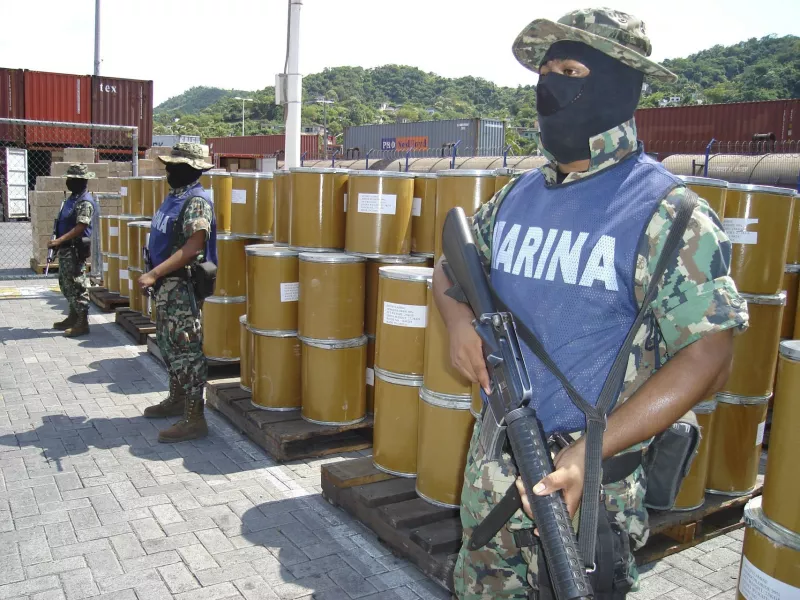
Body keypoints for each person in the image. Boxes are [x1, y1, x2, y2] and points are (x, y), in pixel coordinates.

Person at [432, 8, 749, 599]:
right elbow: (450, 262)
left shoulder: (668, 213)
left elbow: (709, 356)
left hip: (588, 492)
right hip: (493, 471)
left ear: (618, 85)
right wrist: (459, 324)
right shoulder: (516, 196)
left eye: (571, 69)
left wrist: (586, 453)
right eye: (545, 71)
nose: (551, 85)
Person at [139, 143, 217, 443]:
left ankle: (195, 418)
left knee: (187, 349)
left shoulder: (196, 201)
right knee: (170, 345)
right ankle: (177, 399)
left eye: (175, 166)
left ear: (191, 169)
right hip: (167, 287)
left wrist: (154, 273)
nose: (168, 170)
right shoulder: (176, 197)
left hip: (180, 286)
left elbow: (193, 247)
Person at [50, 164, 98, 338]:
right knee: (66, 284)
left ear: (81, 181)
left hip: (75, 249)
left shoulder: (84, 201)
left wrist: (60, 240)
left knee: (77, 285)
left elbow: (81, 226)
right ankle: (73, 316)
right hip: (65, 249)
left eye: (72, 179)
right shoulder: (71, 198)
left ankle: (82, 322)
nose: (68, 182)